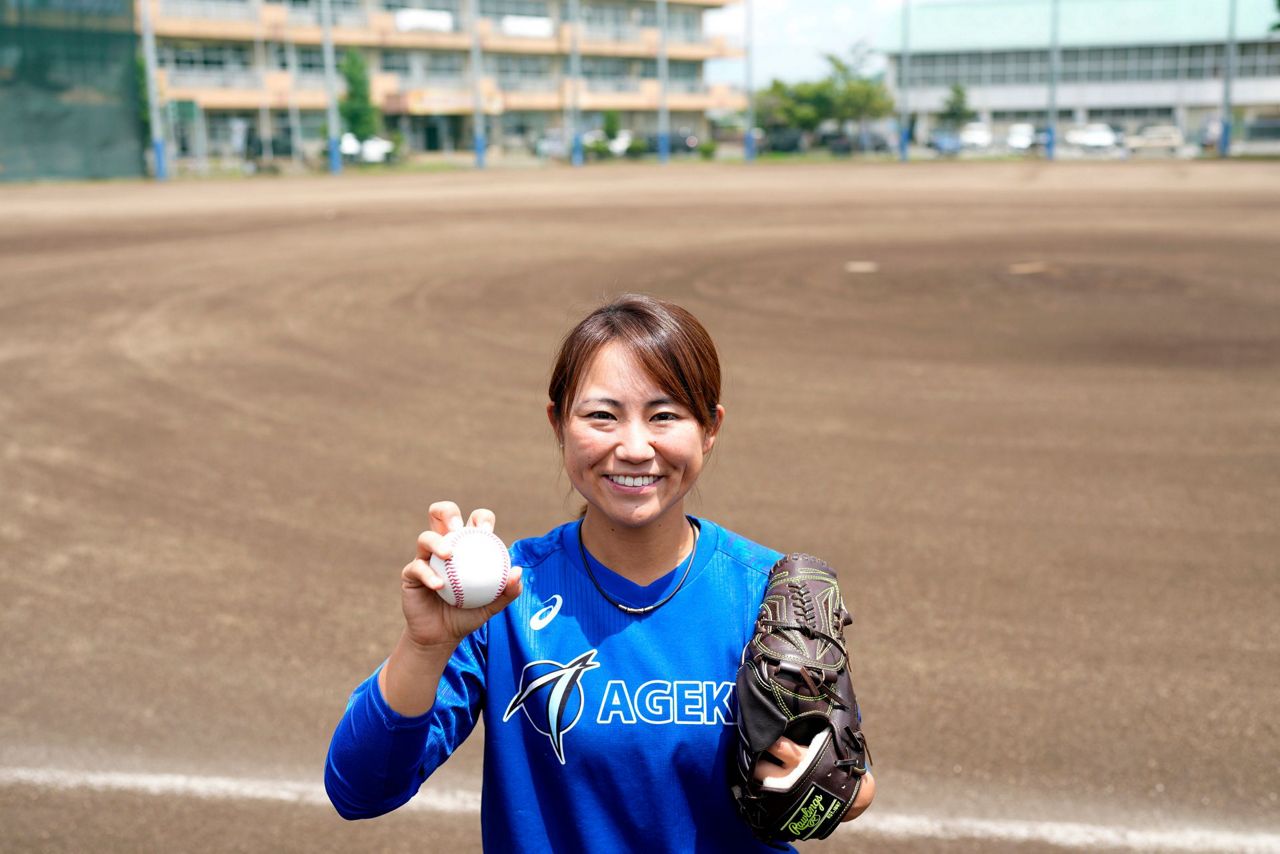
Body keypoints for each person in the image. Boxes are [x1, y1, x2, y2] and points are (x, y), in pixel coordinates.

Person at [325, 294, 874, 851]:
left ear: (710, 428)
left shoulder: (767, 593)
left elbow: (842, 781)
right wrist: (424, 645)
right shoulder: (503, 602)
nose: (634, 448)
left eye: (665, 415)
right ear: (558, 423)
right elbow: (359, 791)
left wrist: (835, 784)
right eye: (601, 416)